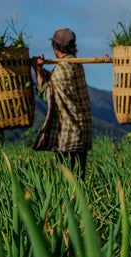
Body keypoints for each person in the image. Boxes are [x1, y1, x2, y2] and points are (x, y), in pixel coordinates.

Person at [32, 27, 93, 174]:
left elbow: (48, 95)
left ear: (55, 47)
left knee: (68, 181)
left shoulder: (61, 69)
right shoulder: (78, 65)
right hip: (83, 134)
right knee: (80, 178)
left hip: (69, 136)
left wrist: (37, 70)